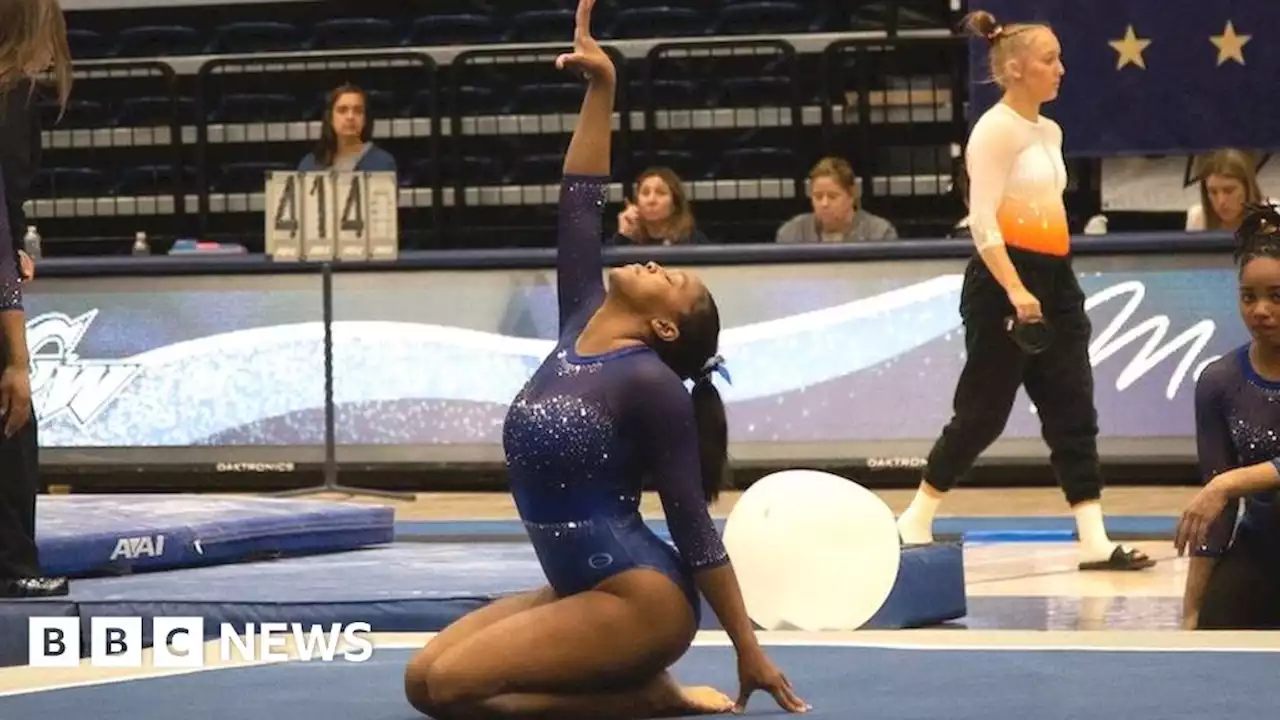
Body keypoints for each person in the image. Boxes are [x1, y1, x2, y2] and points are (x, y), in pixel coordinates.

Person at [403, 2, 808, 718]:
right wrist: (603, 89)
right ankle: (636, 690)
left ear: (662, 325)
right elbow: (578, 203)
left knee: (457, 689)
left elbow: (693, 528)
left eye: (673, 281)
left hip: (640, 600)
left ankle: (650, 698)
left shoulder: (651, 385)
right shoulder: (578, 323)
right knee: (422, 682)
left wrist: (749, 648)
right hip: (579, 591)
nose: (656, 262)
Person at [894, 10, 1154, 572]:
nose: (1060, 69)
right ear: (1014, 69)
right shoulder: (994, 130)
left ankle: (1094, 540)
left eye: (1059, 58)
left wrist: (1047, 286)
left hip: (1055, 279)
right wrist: (1015, 289)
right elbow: (982, 218)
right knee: (983, 413)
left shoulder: (1049, 130)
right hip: (1002, 283)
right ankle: (914, 518)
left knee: (1073, 409)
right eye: (1049, 59)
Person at [1176, 203, 1280, 630]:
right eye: (1248, 296)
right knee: (1214, 632)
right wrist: (1191, 613)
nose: (1260, 310)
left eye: (1277, 297)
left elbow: (1222, 486)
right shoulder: (1219, 381)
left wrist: (1229, 482)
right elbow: (1215, 516)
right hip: (1262, 550)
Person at [0, 0, 71, 600]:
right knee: (13, 419)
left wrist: (16, 237)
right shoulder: (13, 99)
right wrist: (19, 358)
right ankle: (12, 565)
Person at [775, 157, 898, 243]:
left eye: (832, 196)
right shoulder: (792, 233)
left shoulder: (879, 233)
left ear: (851, 197)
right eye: (818, 196)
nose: (824, 204)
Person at [297, 83, 397, 174]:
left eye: (358, 111)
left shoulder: (382, 163)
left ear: (366, 119)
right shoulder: (309, 165)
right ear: (330, 118)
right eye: (342, 110)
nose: (350, 117)